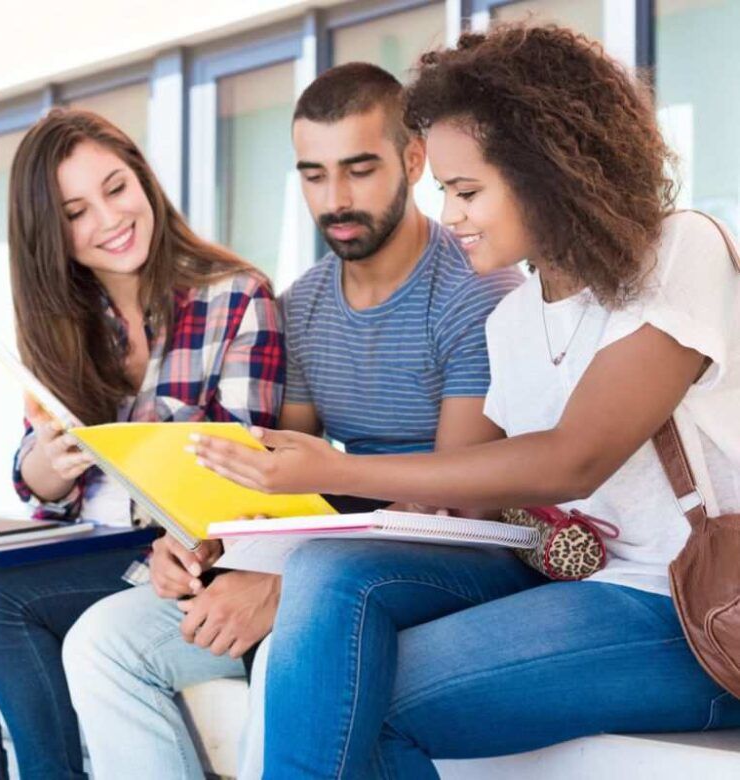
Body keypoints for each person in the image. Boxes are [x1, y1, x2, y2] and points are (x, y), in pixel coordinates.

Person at [192, 24, 740, 779]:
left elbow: (571, 460)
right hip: (569, 577)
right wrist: (246, 544)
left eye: (466, 190)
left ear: (547, 173)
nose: (450, 216)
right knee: (329, 572)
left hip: (691, 613)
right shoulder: (511, 318)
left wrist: (343, 472)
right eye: (444, 191)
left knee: (357, 701)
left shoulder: (682, 252)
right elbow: (476, 497)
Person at [62, 62, 525, 779]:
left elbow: (454, 500)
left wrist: (283, 586)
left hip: (462, 555)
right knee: (100, 641)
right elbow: (274, 480)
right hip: (338, 550)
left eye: (359, 170)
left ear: (412, 160)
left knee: (296, 645)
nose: (334, 199)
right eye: (313, 175)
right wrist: (205, 545)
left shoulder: (478, 290)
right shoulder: (302, 303)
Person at [0, 108, 284, 780]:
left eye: (116, 188)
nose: (108, 219)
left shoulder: (237, 297)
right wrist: (47, 463)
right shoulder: (55, 318)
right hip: (81, 538)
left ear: (143, 179)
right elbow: (35, 480)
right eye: (75, 211)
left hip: (174, 549)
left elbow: (245, 473)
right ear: (50, 233)